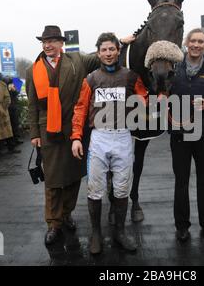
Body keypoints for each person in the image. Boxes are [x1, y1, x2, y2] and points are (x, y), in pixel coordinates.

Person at [26, 25, 100, 245]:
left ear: (61, 43)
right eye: (44, 42)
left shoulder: (77, 60)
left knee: (73, 175)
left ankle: (67, 214)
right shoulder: (33, 70)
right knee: (52, 178)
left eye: (51, 41)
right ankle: (53, 223)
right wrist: (34, 133)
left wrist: (122, 41)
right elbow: (31, 105)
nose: (47, 45)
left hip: (75, 129)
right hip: (47, 131)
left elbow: (104, 55)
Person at [71, 32, 143, 254]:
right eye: (104, 50)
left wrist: (144, 102)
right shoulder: (91, 79)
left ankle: (120, 232)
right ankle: (96, 234)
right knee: (95, 189)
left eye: (112, 49)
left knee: (122, 189)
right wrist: (75, 137)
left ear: (118, 51)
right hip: (99, 139)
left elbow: (143, 97)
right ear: (99, 53)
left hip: (123, 137)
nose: (108, 53)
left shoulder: (131, 76)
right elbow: (81, 108)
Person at [168, 28, 204, 242]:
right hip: (180, 135)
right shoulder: (173, 70)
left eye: (200, 41)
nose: (196, 45)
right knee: (181, 181)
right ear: (186, 43)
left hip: (203, 134)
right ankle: (182, 226)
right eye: (192, 41)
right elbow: (162, 97)